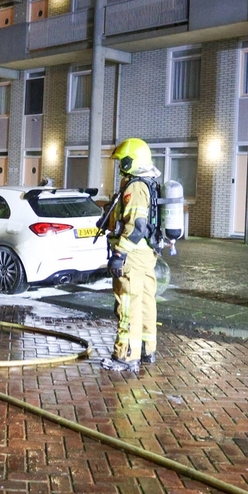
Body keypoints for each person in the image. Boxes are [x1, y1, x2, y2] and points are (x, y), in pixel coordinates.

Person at [101, 137, 161, 374]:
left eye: (122, 161)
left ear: (132, 160)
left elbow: (136, 226)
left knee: (127, 305)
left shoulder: (135, 186)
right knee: (146, 302)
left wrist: (120, 252)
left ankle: (125, 355)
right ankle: (146, 348)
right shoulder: (149, 182)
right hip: (146, 254)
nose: (120, 166)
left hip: (133, 256)